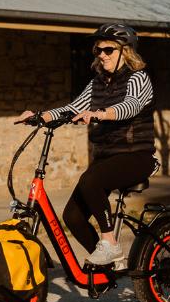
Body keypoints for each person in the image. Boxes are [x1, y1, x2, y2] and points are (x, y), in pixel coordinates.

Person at [15, 22, 158, 266]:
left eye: (109, 50)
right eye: (98, 50)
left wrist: (101, 113)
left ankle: (110, 244)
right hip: (108, 159)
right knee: (72, 217)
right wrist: (40, 116)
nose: (102, 55)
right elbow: (72, 108)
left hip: (137, 156)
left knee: (90, 180)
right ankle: (112, 263)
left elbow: (130, 105)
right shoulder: (96, 84)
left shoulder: (138, 78)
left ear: (126, 51)